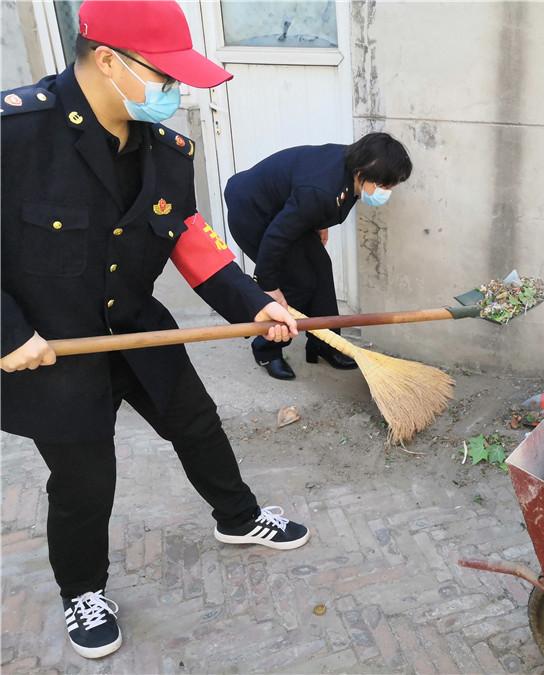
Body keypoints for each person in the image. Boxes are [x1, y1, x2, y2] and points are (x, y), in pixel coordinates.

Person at [1, 0, 311, 659]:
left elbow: (189, 239)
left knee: (195, 420)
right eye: (164, 77)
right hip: (52, 345)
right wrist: (6, 332)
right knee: (86, 476)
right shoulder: (17, 134)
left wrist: (255, 303)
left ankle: (238, 515)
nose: (173, 93)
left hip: (137, 324)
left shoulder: (168, 148)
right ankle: (81, 590)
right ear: (107, 60)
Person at [225, 133, 412, 380]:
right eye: (385, 186)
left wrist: (318, 220)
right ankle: (267, 349)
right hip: (253, 213)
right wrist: (268, 285)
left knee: (321, 268)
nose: (386, 192)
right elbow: (277, 236)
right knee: (297, 283)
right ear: (364, 171)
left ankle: (324, 344)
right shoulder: (320, 190)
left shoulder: (353, 166)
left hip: (284, 209)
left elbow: (315, 199)